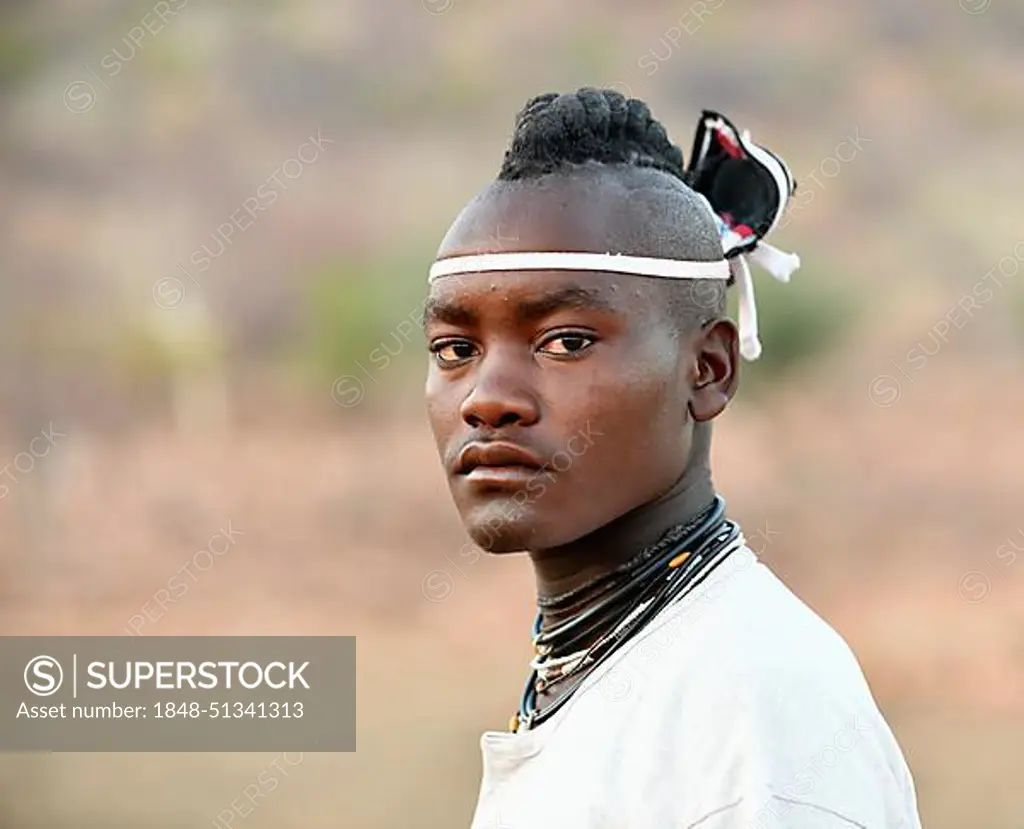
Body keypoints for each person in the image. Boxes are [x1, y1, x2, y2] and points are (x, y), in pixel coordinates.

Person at [422, 87, 921, 828]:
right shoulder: (612, 670)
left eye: (565, 341)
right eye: (456, 350)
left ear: (709, 369)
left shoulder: (758, 723)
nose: (487, 399)